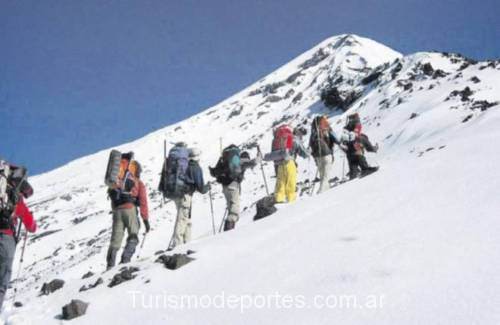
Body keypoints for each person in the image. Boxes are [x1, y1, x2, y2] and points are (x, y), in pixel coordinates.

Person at [0, 161, 37, 310]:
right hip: (6, 239)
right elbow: (31, 226)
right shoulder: (16, 199)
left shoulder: (4, 194)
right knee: (2, 281)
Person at [106, 160, 149, 270]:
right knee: (133, 235)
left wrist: (115, 210)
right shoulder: (138, 182)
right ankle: (125, 261)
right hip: (130, 209)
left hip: (117, 211)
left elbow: (112, 196)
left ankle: (110, 266)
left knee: (115, 240)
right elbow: (143, 202)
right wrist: (145, 220)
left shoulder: (118, 181)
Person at [210, 145, 260, 231]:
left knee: (231, 209)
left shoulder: (227, 160)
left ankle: (228, 230)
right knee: (234, 212)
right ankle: (228, 231)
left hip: (225, 186)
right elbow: (254, 162)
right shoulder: (241, 161)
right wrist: (259, 155)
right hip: (233, 186)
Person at [169, 148, 210, 249]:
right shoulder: (195, 167)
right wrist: (208, 187)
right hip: (185, 195)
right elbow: (201, 188)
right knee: (182, 219)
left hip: (177, 194)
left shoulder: (183, 165)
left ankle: (187, 243)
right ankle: (177, 245)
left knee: (185, 218)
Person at [266, 126, 309, 203]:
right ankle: (291, 202)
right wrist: (308, 152)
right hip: (289, 163)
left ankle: (279, 201)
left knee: (280, 185)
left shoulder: (276, 140)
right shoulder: (292, 138)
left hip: (279, 165)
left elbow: (276, 153)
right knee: (291, 184)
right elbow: (303, 153)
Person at [309, 116, 341, 193]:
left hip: (317, 156)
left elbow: (310, 145)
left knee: (322, 175)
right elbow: (336, 140)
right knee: (326, 175)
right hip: (326, 153)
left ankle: (325, 190)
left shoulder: (313, 132)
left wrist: (315, 158)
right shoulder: (327, 129)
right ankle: (321, 192)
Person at [341, 113, 379, 179]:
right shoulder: (358, 127)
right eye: (358, 118)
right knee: (360, 158)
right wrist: (374, 148)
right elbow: (368, 147)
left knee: (353, 171)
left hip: (349, 152)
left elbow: (343, 142)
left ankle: (353, 176)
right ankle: (365, 169)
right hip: (356, 149)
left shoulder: (346, 129)